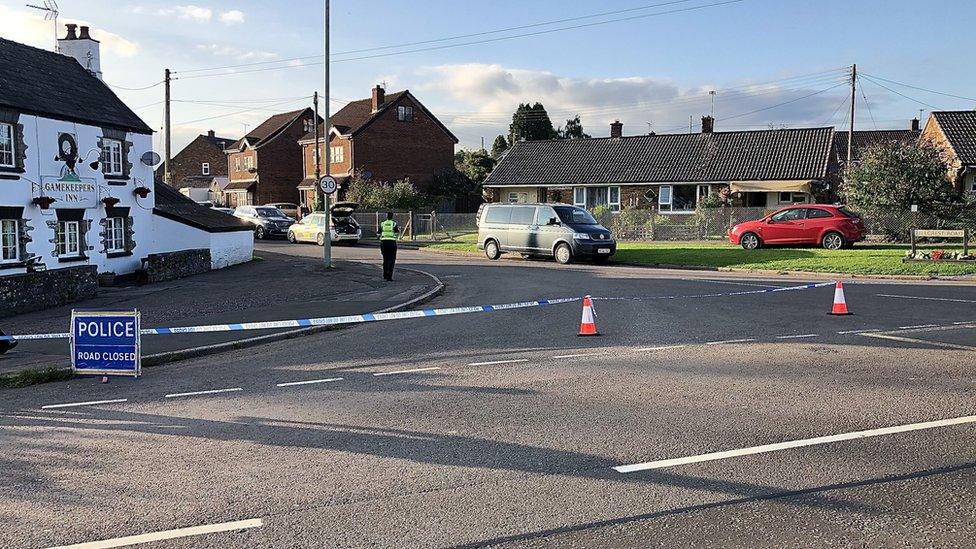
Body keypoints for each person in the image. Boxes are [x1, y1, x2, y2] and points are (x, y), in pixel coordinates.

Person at [379, 212, 399, 281]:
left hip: (383, 243)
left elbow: (378, 233)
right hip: (392, 243)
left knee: (385, 260)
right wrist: (394, 236)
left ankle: (384, 276)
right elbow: (396, 233)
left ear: (386, 217)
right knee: (391, 260)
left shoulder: (382, 223)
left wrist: (381, 237)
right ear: (392, 217)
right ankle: (389, 277)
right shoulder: (394, 224)